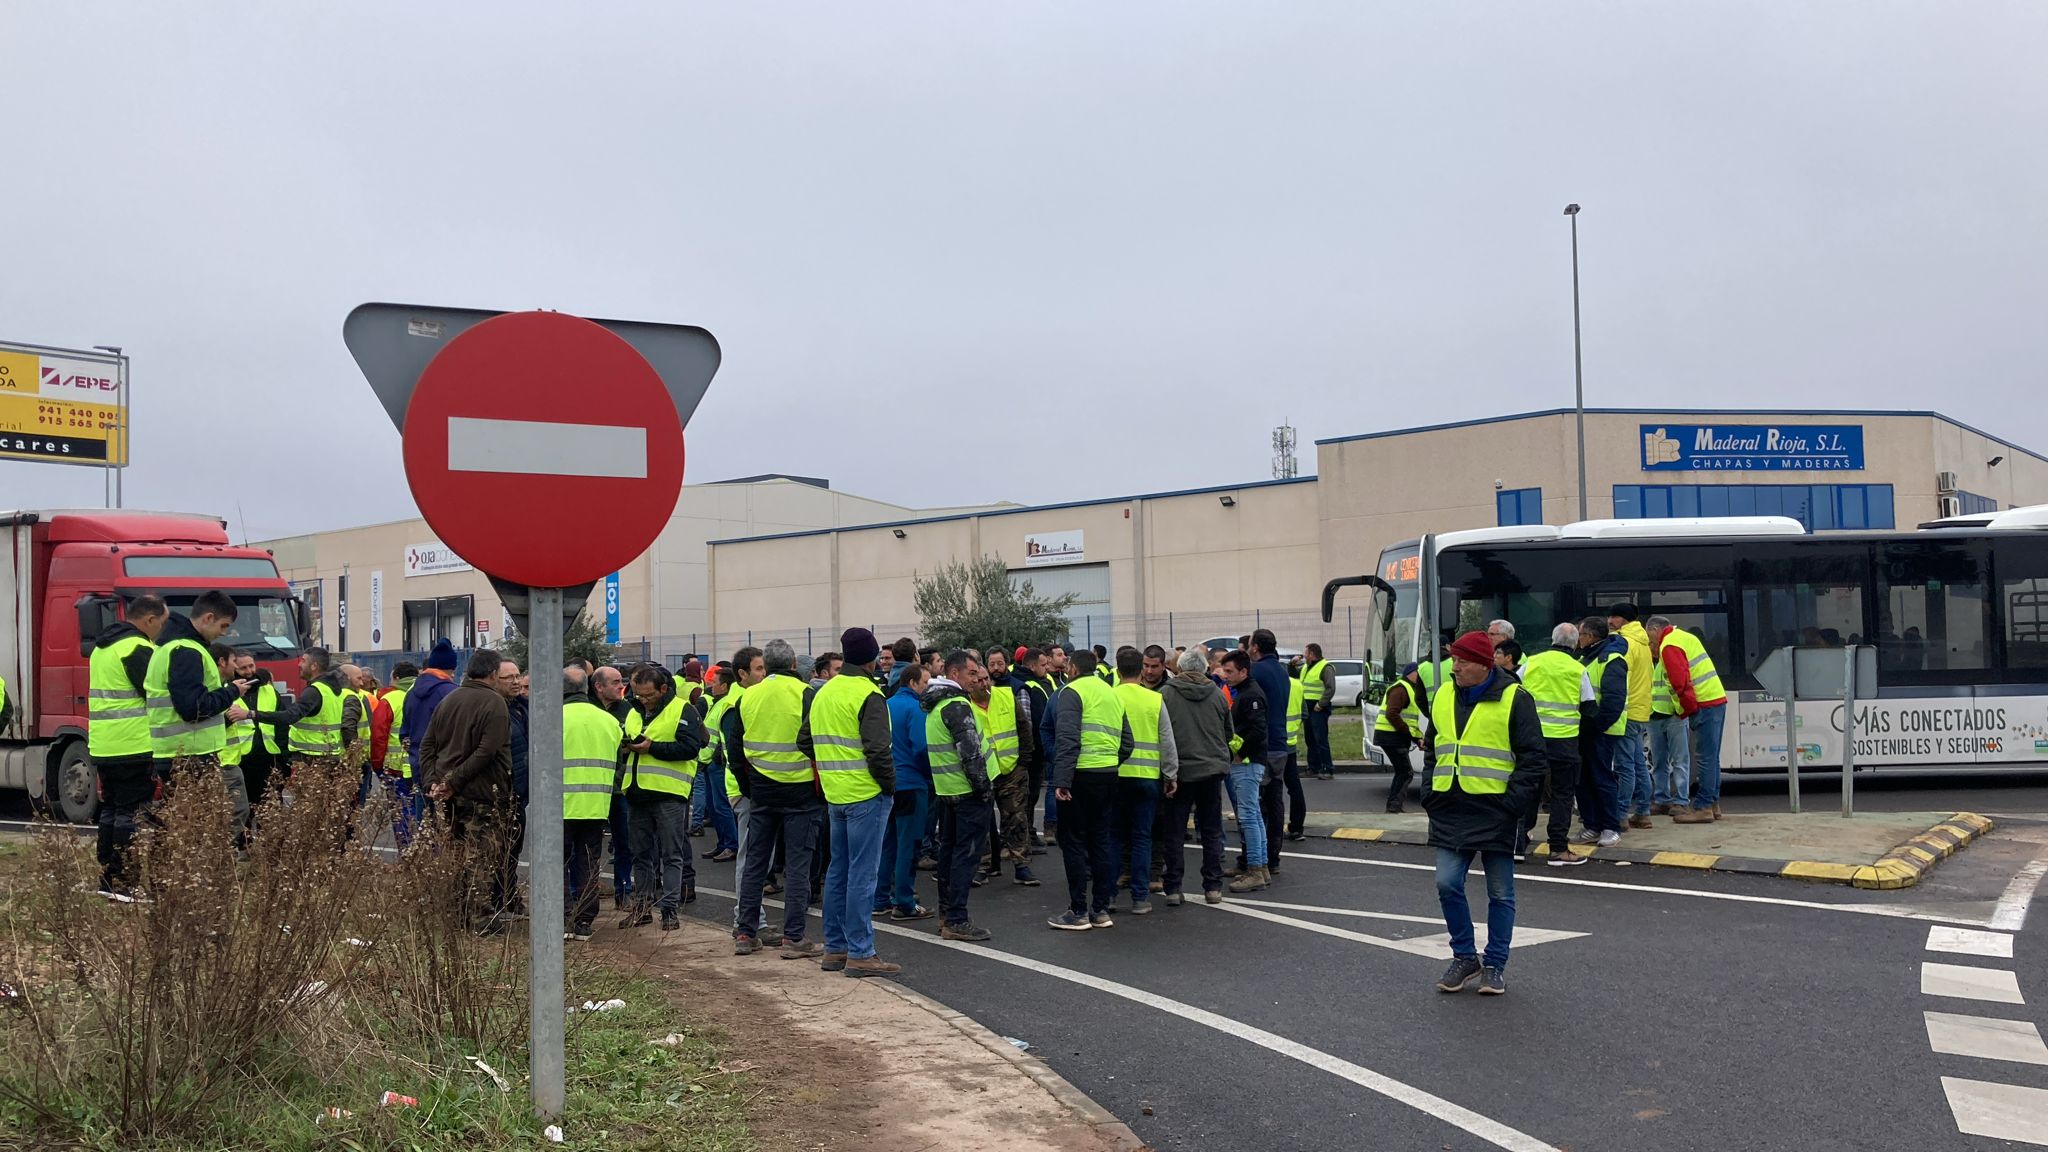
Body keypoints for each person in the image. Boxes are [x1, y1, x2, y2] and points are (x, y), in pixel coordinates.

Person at [1423, 631, 1545, 997]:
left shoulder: (1515, 698)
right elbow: (1433, 747)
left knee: (1500, 891)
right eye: (1454, 660)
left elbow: (1533, 759)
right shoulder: (1444, 694)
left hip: (1496, 810)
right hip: (1450, 807)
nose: (1454, 667)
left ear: (1483, 664)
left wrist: (1513, 805)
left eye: (1461, 661)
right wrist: (1429, 790)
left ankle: (1495, 965)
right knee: (1447, 883)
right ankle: (1464, 956)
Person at [804, 627, 901, 976]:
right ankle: (861, 952)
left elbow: (806, 739)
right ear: (874, 658)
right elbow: (878, 750)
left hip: (835, 793)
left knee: (838, 871)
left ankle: (835, 948)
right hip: (865, 794)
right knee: (863, 874)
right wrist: (889, 786)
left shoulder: (824, 693)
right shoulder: (868, 694)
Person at [732, 639, 823, 957]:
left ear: (766, 667)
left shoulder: (748, 696)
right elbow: (816, 742)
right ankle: (793, 938)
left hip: (762, 790)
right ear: (794, 666)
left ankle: (746, 933)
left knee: (756, 863)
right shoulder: (806, 694)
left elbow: (734, 749)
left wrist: (748, 787)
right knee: (798, 865)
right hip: (801, 791)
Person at [418, 649, 517, 933]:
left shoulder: (449, 700)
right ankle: (480, 918)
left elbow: (427, 745)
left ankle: (456, 915)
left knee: (454, 854)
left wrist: (434, 783)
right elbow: (486, 751)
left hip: (449, 796)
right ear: (494, 674)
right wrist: (452, 781)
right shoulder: (494, 703)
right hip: (482, 794)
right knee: (482, 855)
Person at [144, 592, 254, 839]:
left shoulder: (169, 647)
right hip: (190, 755)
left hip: (178, 752)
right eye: (223, 625)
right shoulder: (187, 651)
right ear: (208, 618)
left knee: (182, 828)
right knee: (194, 832)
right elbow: (192, 708)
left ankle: (174, 875)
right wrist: (231, 692)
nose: (224, 633)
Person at [88, 594, 167, 897]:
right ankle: (124, 882)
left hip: (104, 745)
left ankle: (108, 880)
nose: (161, 628)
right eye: (161, 622)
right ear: (149, 619)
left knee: (110, 811)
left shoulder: (101, 648)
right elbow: (155, 695)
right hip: (134, 743)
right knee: (131, 815)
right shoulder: (137, 647)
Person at [1047, 648, 1132, 930]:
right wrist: (1110, 762)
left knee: (1072, 842)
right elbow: (1127, 743)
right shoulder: (1112, 693)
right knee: (1101, 841)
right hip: (1107, 774)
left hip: (1080, 775)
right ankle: (1100, 910)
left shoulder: (1071, 692)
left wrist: (1062, 780)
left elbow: (1068, 738)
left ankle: (1078, 911)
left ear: (1072, 668)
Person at [619, 663, 703, 931]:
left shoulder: (682, 709)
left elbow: (691, 747)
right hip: (637, 792)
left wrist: (651, 748)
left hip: (669, 794)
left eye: (648, 695)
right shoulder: (633, 710)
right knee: (641, 854)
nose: (643, 699)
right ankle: (642, 908)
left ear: (663, 689)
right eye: (638, 694)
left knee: (671, 854)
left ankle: (669, 911)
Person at [925, 651, 996, 941]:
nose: (976, 677)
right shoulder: (956, 706)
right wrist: (984, 788)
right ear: (954, 674)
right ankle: (957, 919)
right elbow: (970, 754)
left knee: (949, 854)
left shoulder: (935, 705)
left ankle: (947, 914)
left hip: (947, 790)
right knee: (966, 857)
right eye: (970, 673)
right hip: (968, 793)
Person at [1515, 624, 1592, 867]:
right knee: (1562, 795)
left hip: (1533, 741)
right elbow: (1589, 708)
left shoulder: (1532, 663)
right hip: (1564, 743)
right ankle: (1558, 849)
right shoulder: (1578, 669)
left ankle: (1517, 846)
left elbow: (1513, 691)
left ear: (1552, 639)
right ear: (1575, 643)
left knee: (1528, 792)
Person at [1160, 646, 1231, 904]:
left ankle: (1173, 888)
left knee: (1175, 831)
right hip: (1212, 771)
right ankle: (1213, 887)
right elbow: (1228, 733)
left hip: (1179, 772)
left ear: (1179, 668)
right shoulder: (1217, 694)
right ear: (1204, 668)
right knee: (1211, 830)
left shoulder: (1165, 694)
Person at [1109, 648, 1177, 913]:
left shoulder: (1109, 697)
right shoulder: (1154, 699)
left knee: (1114, 837)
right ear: (1141, 670)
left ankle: (1110, 896)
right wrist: (1170, 775)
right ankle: (1140, 898)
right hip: (1148, 778)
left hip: (1115, 776)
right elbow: (1167, 741)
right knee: (1142, 838)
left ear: (1116, 670)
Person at [722, 647, 780, 946]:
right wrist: (749, 789)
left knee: (760, 857)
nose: (764, 675)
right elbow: (736, 755)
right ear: (742, 674)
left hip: (755, 789)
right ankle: (746, 920)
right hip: (746, 791)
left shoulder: (751, 699)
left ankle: (752, 919)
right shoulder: (736, 704)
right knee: (751, 857)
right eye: (758, 669)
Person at [562, 665, 623, 941]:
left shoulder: (552, 717)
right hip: (597, 804)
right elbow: (618, 764)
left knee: (557, 864)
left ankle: (563, 917)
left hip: (560, 805)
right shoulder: (608, 721)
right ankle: (584, 920)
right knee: (588, 863)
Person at [1648, 616, 1728, 825]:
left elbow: (1680, 682)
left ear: (1656, 629)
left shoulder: (1669, 645)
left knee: (1704, 758)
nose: (1651, 643)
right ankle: (1713, 804)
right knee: (1712, 757)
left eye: (1650, 637)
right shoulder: (1684, 636)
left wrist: (1689, 710)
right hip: (1715, 698)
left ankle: (1702, 808)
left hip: (1704, 702)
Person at [975, 649, 1038, 886]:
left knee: (1016, 819)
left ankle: (1021, 865)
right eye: (978, 679)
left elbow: (1024, 728)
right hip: (981, 773)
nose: (983, 683)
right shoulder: (966, 705)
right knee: (981, 821)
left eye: (985, 679)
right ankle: (983, 866)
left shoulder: (1006, 696)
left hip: (1011, 771)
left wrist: (1023, 761)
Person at [876, 661, 933, 920]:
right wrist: (928, 774)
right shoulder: (915, 707)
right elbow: (921, 747)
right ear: (912, 683)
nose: (927, 688)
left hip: (889, 783)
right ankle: (905, 902)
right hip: (911, 782)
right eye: (925, 684)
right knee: (909, 845)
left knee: (888, 843)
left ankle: (880, 898)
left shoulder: (886, 705)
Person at [255, 646, 359, 771]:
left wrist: (252, 714)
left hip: (311, 759)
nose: (299, 664)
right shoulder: (331, 689)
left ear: (314, 666)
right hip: (328, 756)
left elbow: (290, 716)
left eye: (303, 661)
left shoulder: (314, 691)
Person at [1573, 618, 1630, 848]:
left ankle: (1610, 827)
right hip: (1586, 728)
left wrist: (1596, 726)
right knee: (1583, 779)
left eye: (1581, 634)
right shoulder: (1585, 658)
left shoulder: (1612, 659)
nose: (1578, 639)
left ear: (1591, 636)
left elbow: (1614, 701)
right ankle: (1592, 825)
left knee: (1602, 777)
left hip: (1602, 730)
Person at [1220, 650, 1271, 892]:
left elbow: (1257, 730)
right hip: (1249, 761)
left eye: (1230, 671)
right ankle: (1260, 867)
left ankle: (1255, 871)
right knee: (1254, 816)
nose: (1225, 676)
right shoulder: (1247, 692)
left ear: (1243, 671)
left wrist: (1237, 753)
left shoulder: (1251, 696)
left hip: (1248, 763)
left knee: (1248, 816)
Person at [398, 640, 460, 835]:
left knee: (424, 828)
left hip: (419, 770)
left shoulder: (411, 694)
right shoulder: (451, 692)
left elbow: (404, 734)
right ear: (451, 668)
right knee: (448, 832)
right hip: (445, 773)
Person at [589, 664, 637, 908]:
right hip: (592, 787)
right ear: (599, 687)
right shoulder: (587, 709)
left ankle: (624, 891)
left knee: (624, 842)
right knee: (588, 842)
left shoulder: (626, 709)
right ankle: (587, 890)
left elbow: (632, 741)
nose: (622, 687)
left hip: (620, 787)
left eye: (622, 682)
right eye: (616, 682)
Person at [1245, 629, 1292, 877]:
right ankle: (1273, 857)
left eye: (1250, 645)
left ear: (1255, 648)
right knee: (1275, 802)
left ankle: (1256, 858)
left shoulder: (1257, 671)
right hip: (1280, 743)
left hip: (1262, 745)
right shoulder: (1282, 671)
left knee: (1256, 805)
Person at [1606, 603, 1655, 831]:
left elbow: (1618, 677)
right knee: (1638, 765)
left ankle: (1621, 814)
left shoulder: (1623, 642)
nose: (1609, 621)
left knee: (1625, 767)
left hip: (1626, 712)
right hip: (1641, 710)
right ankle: (1643, 812)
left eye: (1613, 617)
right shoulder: (1642, 641)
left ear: (1624, 619)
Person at [695, 665, 741, 862]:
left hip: (718, 762)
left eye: (714, 683)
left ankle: (731, 845)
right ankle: (723, 843)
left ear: (724, 686)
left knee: (722, 806)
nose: (710, 686)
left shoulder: (726, 704)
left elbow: (725, 736)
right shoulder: (717, 701)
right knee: (714, 806)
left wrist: (716, 755)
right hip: (708, 760)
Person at [1012, 647, 1056, 851]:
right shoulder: (1030, 686)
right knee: (1028, 795)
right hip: (1034, 750)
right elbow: (1034, 722)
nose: (1047, 668)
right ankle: (1025, 835)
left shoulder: (1039, 683)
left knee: (1032, 794)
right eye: (1043, 664)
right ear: (1031, 666)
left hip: (1037, 750)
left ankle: (1028, 832)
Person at [1374, 664, 1424, 813]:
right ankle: (1394, 806)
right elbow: (1392, 714)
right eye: (1419, 673)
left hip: (1391, 736)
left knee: (1402, 771)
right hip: (1391, 737)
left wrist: (1417, 739)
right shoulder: (1401, 689)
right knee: (1405, 771)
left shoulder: (1406, 688)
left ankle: (1394, 805)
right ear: (1412, 673)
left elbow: (1408, 721)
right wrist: (1407, 733)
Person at [1300, 643, 1336, 780]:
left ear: (1312, 654)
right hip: (1307, 707)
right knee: (1310, 739)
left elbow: (1330, 688)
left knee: (1320, 738)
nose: (1304, 655)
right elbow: (1298, 681)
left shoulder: (1325, 667)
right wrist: (1291, 667)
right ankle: (1313, 767)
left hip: (1318, 708)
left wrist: (1321, 704)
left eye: (1306, 653)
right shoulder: (1306, 667)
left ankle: (1327, 768)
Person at [1281, 659, 1307, 841]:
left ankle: (1269, 827)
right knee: (1294, 787)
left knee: (1269, 790)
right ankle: (1297, 827)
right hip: (1290, 743)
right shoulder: (1297, 685)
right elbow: (1304, 713)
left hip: (1272, 744)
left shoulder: (1271, 684)